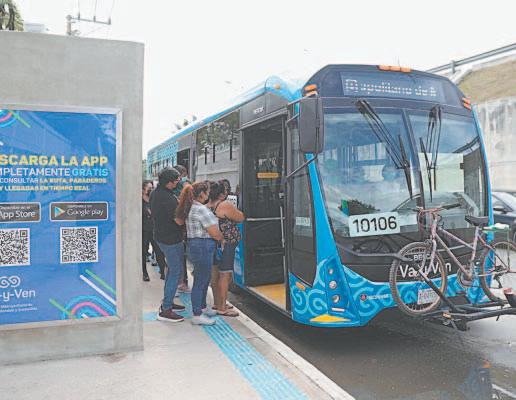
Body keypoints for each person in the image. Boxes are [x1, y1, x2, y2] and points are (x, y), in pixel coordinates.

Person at [176, 182, 223, 326]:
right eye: (207, 192)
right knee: (201, 280)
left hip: (196, 245)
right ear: (202, 193)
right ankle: (197, 314)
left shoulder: (192, 207)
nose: (209, 194)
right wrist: (221, 238)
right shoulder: (201, 210)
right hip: (203, 245)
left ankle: (202, 308)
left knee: (204, 277)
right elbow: (214, 233)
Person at [150, 167, 186, 323]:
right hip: (170, 239)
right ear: (169, 182)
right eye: (176, 181)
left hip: (161, 236)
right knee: (175, 271)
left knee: (172, 270)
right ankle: (166, 309)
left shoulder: (156, 193)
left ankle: (168, 301)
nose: (178, 183)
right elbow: (179, 221)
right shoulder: (168, 198)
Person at [208, 180, 244, 317]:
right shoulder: (224, 205)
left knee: (215, 274)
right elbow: (240, 217)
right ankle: (222, 308)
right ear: (221, 194)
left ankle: (217, 303)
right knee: (225, 274)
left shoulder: (208, 205)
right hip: (226, 244)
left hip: (213, 244)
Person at [142, 180, 166, 281]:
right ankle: (144, 273)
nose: (151, 190)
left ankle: (163, 272)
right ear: (143, 190)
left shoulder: (154, 199)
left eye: (152, 188)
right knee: (143, 252)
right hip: (143, 231)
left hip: (155, 229)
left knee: (159, 251)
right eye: (149, 188)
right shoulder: (139, 201)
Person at [173, 164, 191, 294]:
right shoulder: (184, 183)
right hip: (181, 229)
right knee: (181, 256)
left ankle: (180, 282)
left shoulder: (169, 192)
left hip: (173, 230)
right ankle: (182, 282)